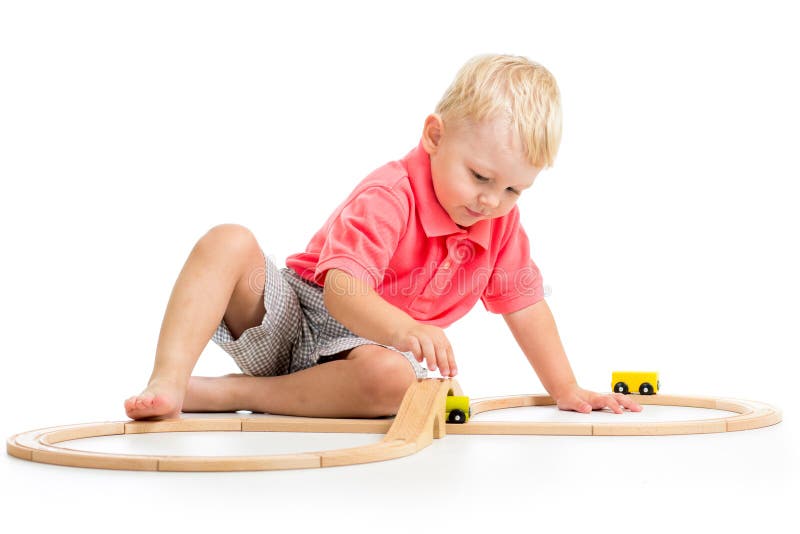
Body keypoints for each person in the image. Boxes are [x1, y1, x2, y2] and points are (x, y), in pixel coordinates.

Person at [125, 53, 642, 421]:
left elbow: (525, 306)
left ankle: (235, 393)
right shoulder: (392, 193)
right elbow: (341, 290)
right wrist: (401, 329)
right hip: (302, 316)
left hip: (368, 359)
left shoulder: (498, 224)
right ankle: (169, 379)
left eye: (513, 189)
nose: (491, 201)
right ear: (434, 137)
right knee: (228, 239)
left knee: (397, 383)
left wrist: (565, 388)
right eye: (480, 177)